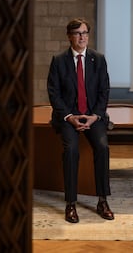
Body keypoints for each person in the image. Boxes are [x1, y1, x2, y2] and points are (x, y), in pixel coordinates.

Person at [47, 18, 114, 223]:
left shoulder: (98, 59)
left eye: (85, 33)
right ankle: (70, 204)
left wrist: (95, 116)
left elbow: (104, 91)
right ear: (69, 36)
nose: (82, 37)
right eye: (77, 33)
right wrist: (69, 116)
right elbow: (54, 93)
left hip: (93, 116)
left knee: (102, 147)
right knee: (71, 151)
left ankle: (102, 200)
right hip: (69, 117)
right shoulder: (59, 61)